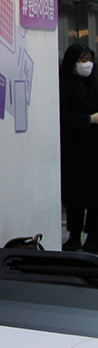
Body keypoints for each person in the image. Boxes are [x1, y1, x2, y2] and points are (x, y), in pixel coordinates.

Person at [59, 44, 98, 252]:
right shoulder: (63, 85)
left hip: (94, 148)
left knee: (95, 195)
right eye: (83, 60)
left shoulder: (94, 83)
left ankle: (93, 236)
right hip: (74, 148)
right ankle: (74, 235)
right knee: (75, 195)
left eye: (90, 60)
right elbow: (62, 118)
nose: (88, 64)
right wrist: (88, 120)